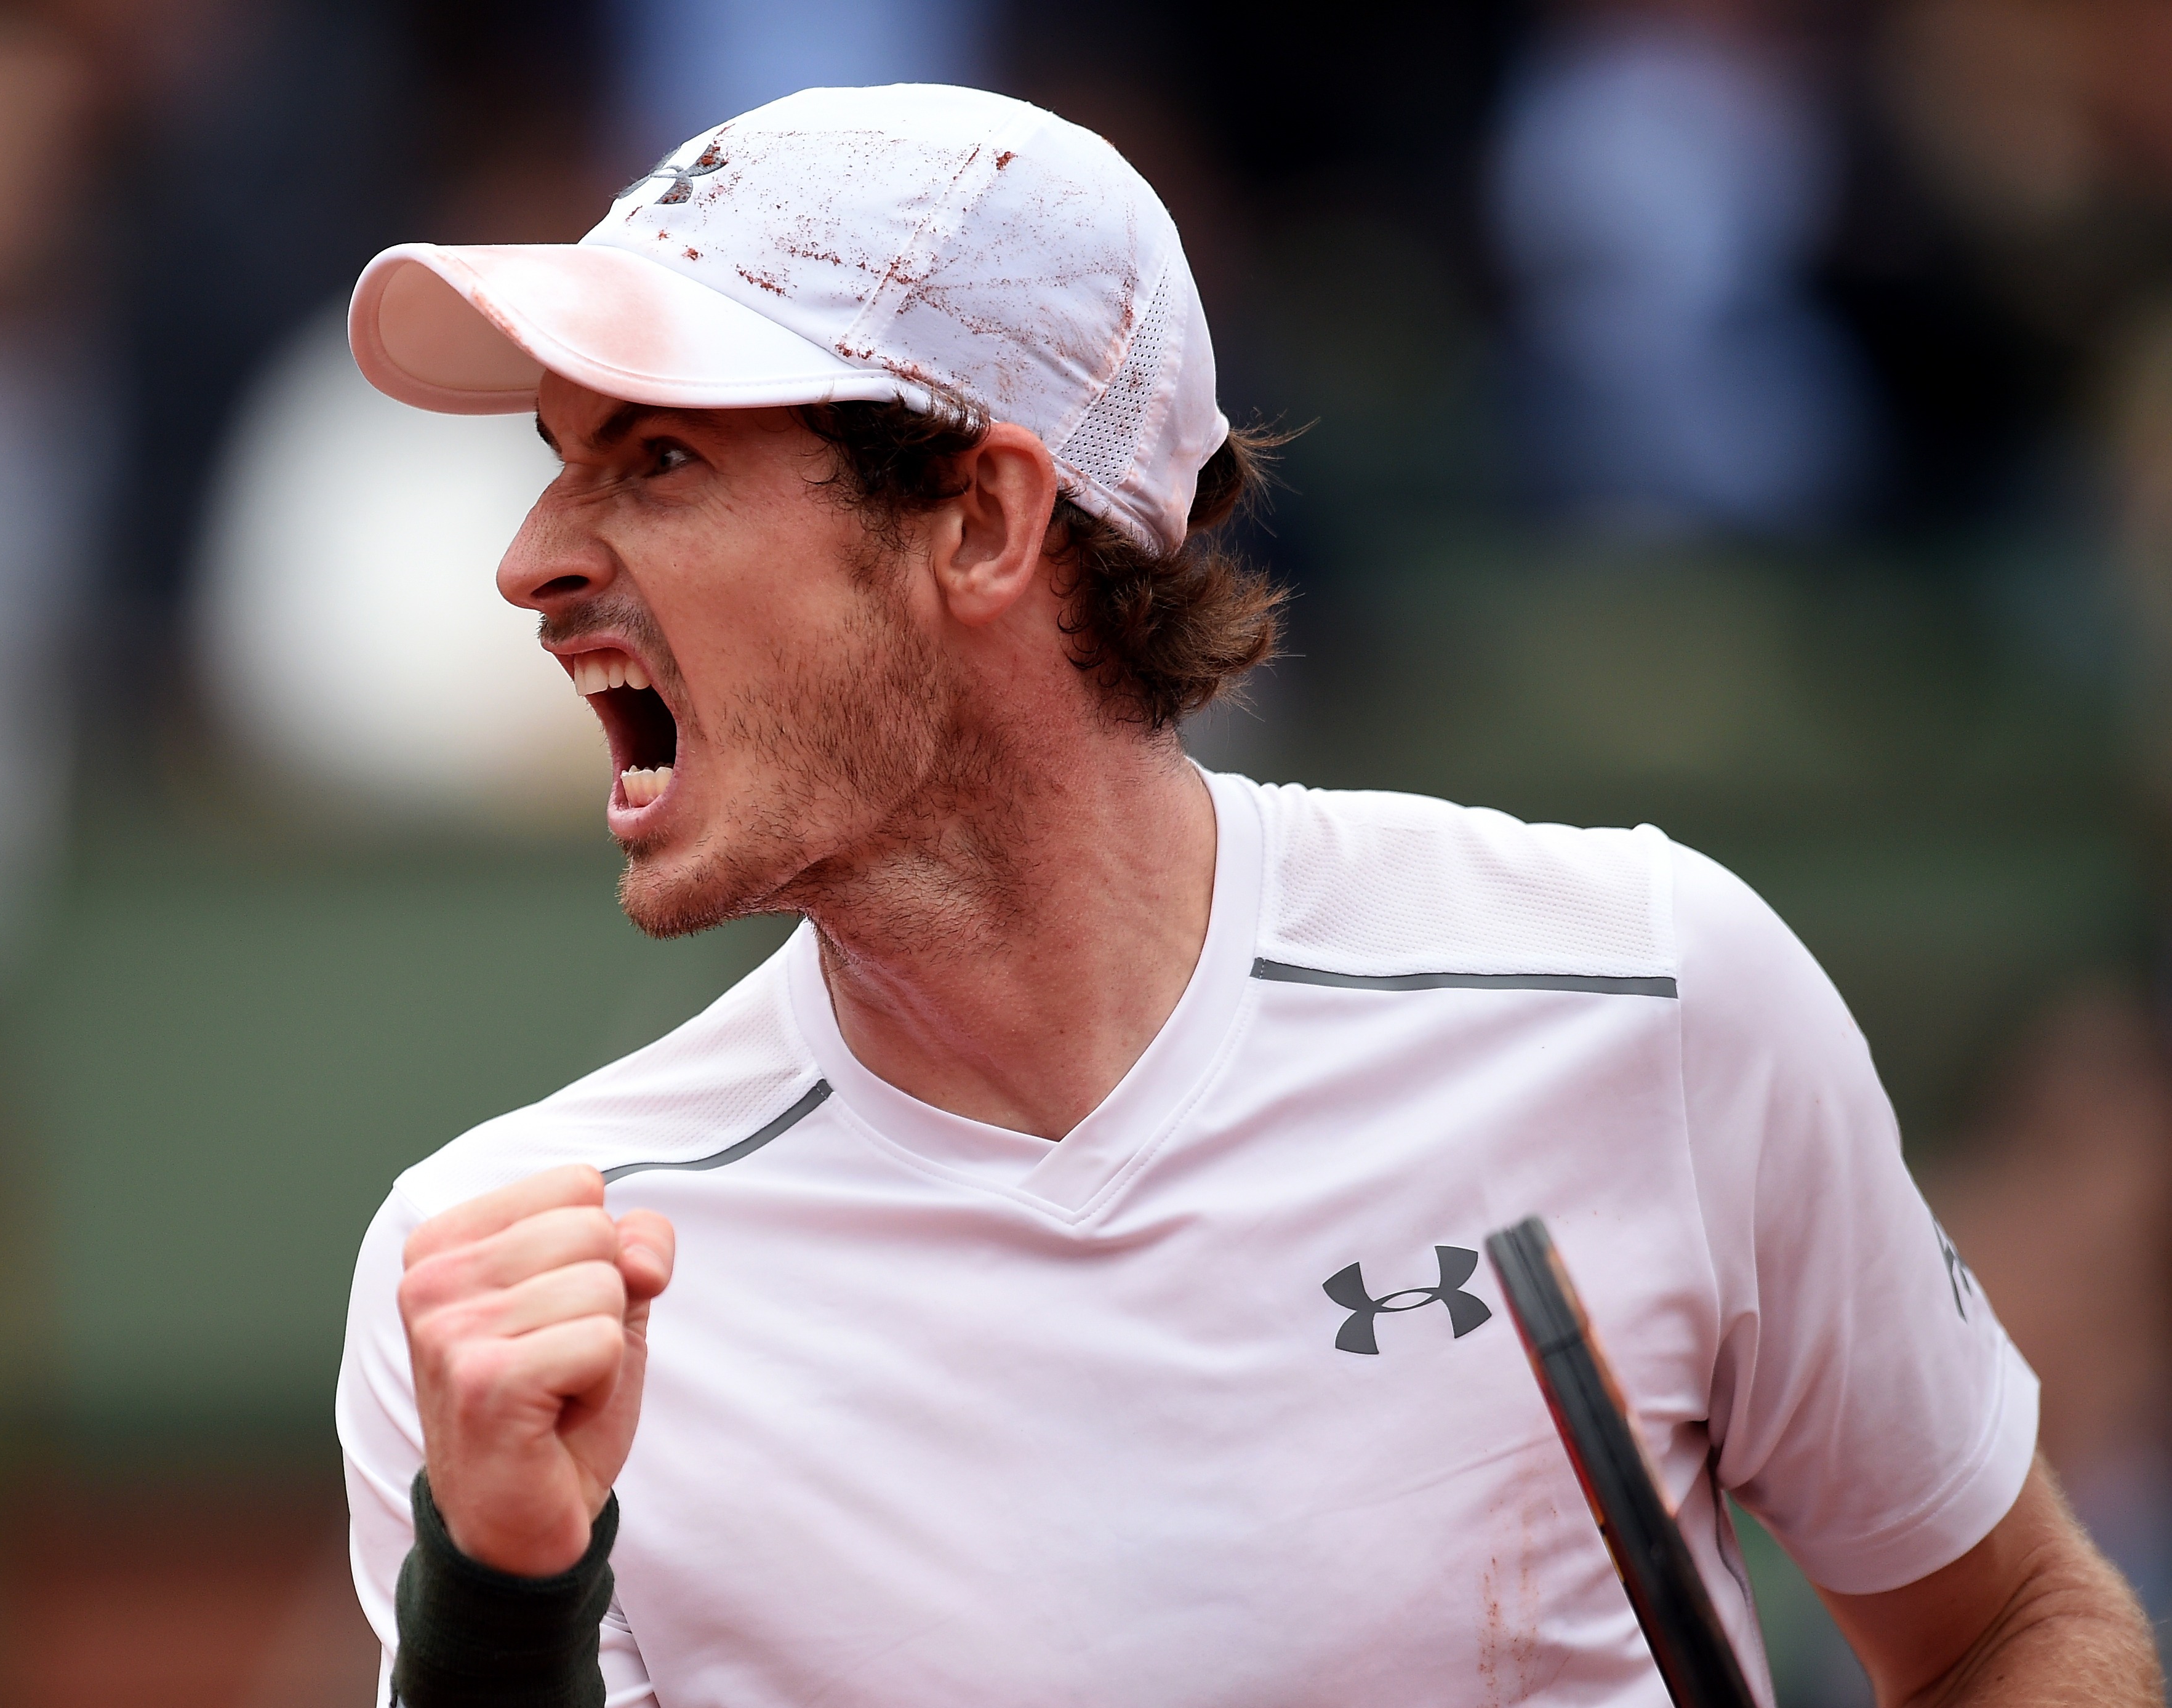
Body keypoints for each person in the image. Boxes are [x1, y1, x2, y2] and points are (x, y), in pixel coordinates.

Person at [330, 84, 2159, 1706]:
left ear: (981, 521)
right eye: (562, 465)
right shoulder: (505, 1286)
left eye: (657, 460)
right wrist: (506, 1606)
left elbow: (2011, 1627)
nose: (531, 562)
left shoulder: (1648, 994)